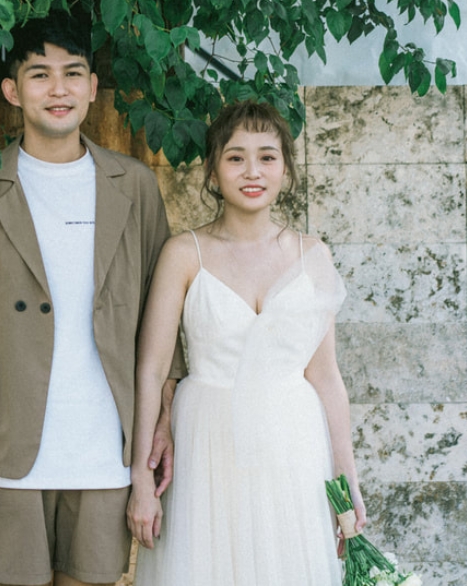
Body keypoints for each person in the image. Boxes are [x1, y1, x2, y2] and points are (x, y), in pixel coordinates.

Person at [0, 13, 185, 586]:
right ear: (13, 91)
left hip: (107, 444)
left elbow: (166, 319)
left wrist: (162, 420)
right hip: (5, 440)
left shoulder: (133, 185)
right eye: (40, 74)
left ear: (92, 88)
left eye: (72, 73)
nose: (57, 89)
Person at [128, 100, 366, 585]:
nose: (252, 170)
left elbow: (325, 376)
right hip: (206, 444)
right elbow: (151, 371)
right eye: (236, 157)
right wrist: (140, 480)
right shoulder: (183, 254)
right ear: (213, 173)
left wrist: (349, 484)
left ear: (286, 170)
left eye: (267, 156)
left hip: (293, 444)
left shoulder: (313, 256)